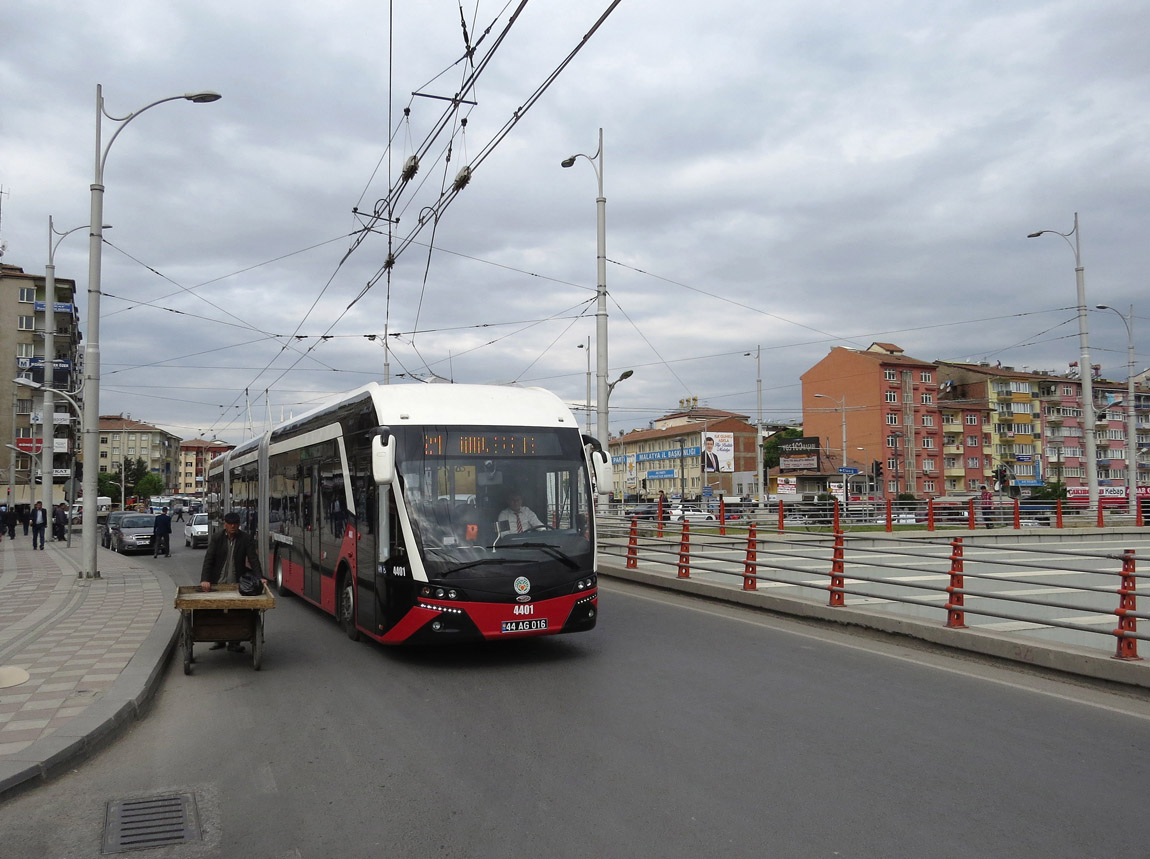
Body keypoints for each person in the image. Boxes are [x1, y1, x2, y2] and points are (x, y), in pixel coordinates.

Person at [200, 511, 263, 652]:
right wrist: (205, 579)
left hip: (236, 582)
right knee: (217, 610)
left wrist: (260, 577)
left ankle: (235, 642)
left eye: (235, 524)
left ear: (239, 525)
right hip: (218, 581)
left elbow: (253, 559)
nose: (233, 526)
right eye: (230, 524)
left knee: (237, 611)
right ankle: (219, 640)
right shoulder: (217, 538)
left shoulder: (245, 539)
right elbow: (208, 560)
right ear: (225, 525)